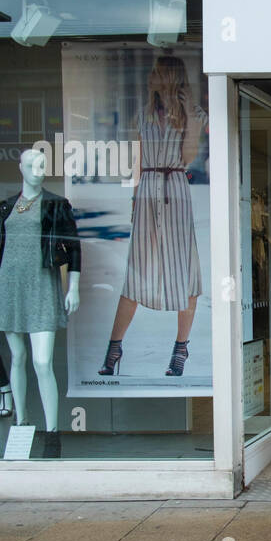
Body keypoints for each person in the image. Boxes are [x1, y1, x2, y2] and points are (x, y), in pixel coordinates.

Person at [97, 55, 206, 378]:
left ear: (169, 76)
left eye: (157, 71)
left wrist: (189, 117)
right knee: (137, 270)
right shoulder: (143, 114)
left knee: (184, 269)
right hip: (147, 189)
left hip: (174, 186)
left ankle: (180, 348)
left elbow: (187, 157)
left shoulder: (191, 114)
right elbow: (138, 159)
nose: (151, 76)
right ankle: (115, 346)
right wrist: (134, 196)